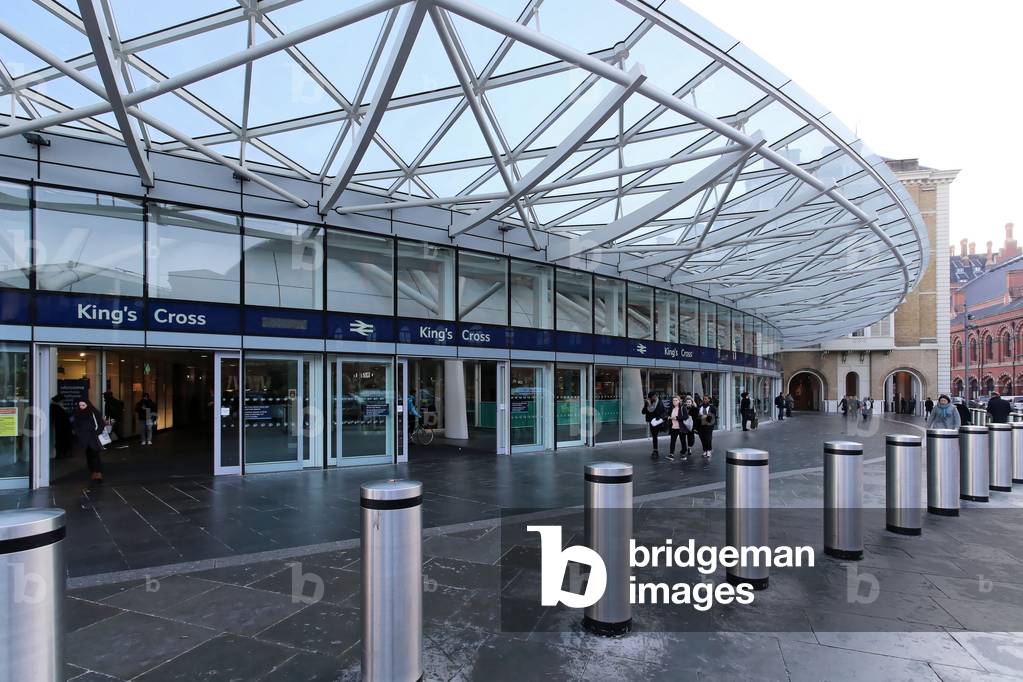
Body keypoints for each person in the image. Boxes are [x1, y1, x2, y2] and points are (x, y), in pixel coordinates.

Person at [71, 399, 105, 484]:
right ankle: (93, 471)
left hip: (93, 437)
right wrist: (78, 433)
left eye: (83, 405)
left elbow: (100, 423)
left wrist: (97, 432)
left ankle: (98, 473)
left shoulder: (94, 412)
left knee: (95, 455)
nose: (81, 407)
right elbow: (75, 425)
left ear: (87, 404)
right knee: (89, 455)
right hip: (84, 438)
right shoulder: (77, 414)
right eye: (80, 405)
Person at [667, 395, 692, 463]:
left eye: (676, 400)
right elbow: (668, 415)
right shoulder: (671, 408)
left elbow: (686, 417)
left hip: (681, 427)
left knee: (683, 441)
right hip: (673, 427)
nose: (674, 402)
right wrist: (668, 417)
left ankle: (683, 454)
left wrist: (677, 418)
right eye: (673, 400)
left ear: (679, 401)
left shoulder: (682, 408)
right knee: (672, 441)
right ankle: (671, 454)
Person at [642, 391, 666, 459]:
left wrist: (660, 417)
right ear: (650, 398)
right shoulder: (648, 403)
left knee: (656, 436)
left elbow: (664, 411)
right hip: (652, 423)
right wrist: (647, 405)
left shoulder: (659, 402)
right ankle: (655, 450)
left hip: (658, 421)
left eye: (655, 396)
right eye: (653, 396)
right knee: (654, 436)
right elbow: (643, 412)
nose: (655, 397)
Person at [49, 395, 73, 459]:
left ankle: (61, 453)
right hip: (61, 428)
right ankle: (61, 453)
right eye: (62, 401)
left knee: (61, 441)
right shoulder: (56, 408)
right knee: (61, 441)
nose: (63, 402)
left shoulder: (55, 407)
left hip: (61, 427)